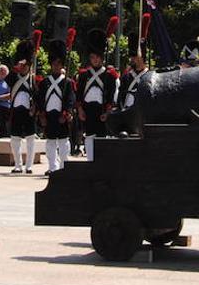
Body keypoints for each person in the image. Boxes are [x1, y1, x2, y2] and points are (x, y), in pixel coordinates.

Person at [77, 19, 119, 161]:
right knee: (89, 135)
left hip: (101, 109)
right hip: (88, 109)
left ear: (102, 57)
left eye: (97, 57)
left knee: (101, 136)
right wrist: (81, 110)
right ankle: (90, 160)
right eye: (92, 57)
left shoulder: (109, 75)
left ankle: (100, 162)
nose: (94, 60)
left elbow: (111, 95)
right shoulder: (83, 74)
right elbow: (79, 94)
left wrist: (107, 112)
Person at [40, 33, 76, 175]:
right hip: (49, 115)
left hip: (62, 115)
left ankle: (63, 166)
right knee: (50, 142)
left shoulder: (67, 82)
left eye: (58, 63)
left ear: (62, 64)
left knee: (63, 142)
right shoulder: (45, 82)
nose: (56, 66)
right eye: (53, 63)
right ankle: (52, 167)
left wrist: (66, 113)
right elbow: (40, 99)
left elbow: (70, 99)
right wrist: (42, 115)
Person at [6, 36, 39, 173]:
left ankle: (29, 165)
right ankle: (18, 165)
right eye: (22, 65)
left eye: (25, 65)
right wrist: (17, 66)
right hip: (16, 111)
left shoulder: (34, 79)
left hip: (29, 111)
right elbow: (7, 79)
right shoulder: (14, 77)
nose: (23, 67)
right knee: (15, 138)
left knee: (31, 138)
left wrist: (35, 108)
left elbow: (38, 96)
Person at [116, 22, 150, 137]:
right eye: (132, 57)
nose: (132, 59)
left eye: (135, 57)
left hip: (144, 114)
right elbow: (121, 94)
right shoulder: (126, 76)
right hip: (128, 114)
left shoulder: (150, 75)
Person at [0, 64, 11, 138]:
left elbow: (10, 95)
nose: (2, 73)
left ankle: (4, 135)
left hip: (4, 106)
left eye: (4, 72)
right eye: (0, 72)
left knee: (2, 122)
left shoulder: (9, 82)